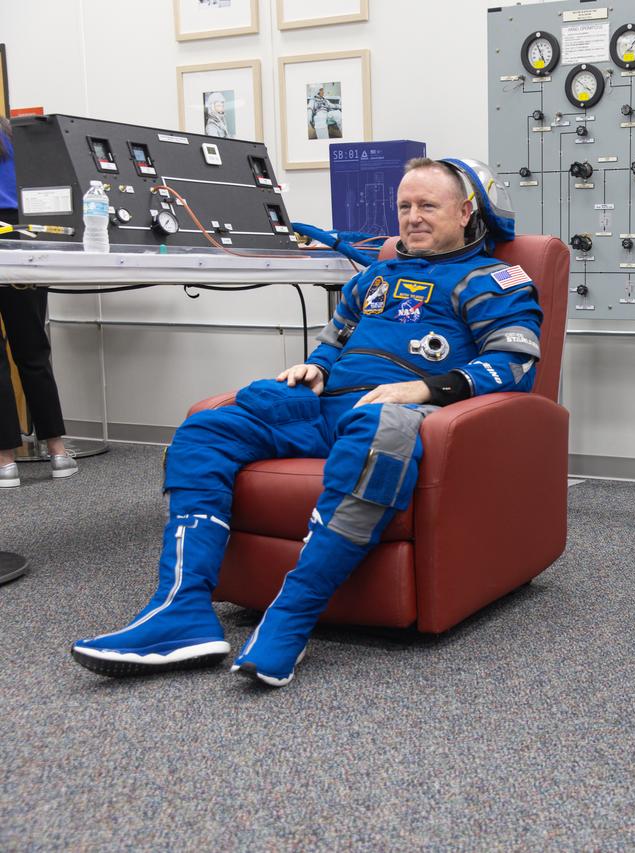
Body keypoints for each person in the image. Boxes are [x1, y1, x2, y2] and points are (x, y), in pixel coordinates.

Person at [72, 157, 542, 687]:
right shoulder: (374, 278)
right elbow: (335, 340)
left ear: (465, 212)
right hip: (322, 409)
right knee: (207, 429)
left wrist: (427, 388)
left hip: (396, 415)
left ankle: (290, 617)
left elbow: (515, 362)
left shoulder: (492, 281)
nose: (412, 217)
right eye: (405, 206)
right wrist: (316, 366)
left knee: (382, 432)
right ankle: (180, 611)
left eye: (428, 205)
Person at [0, 115, 78, 488]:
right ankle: (58, 452)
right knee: (33, 351)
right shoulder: (17, 135)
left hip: (14, 236)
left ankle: (5, 462)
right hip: (24, 239)